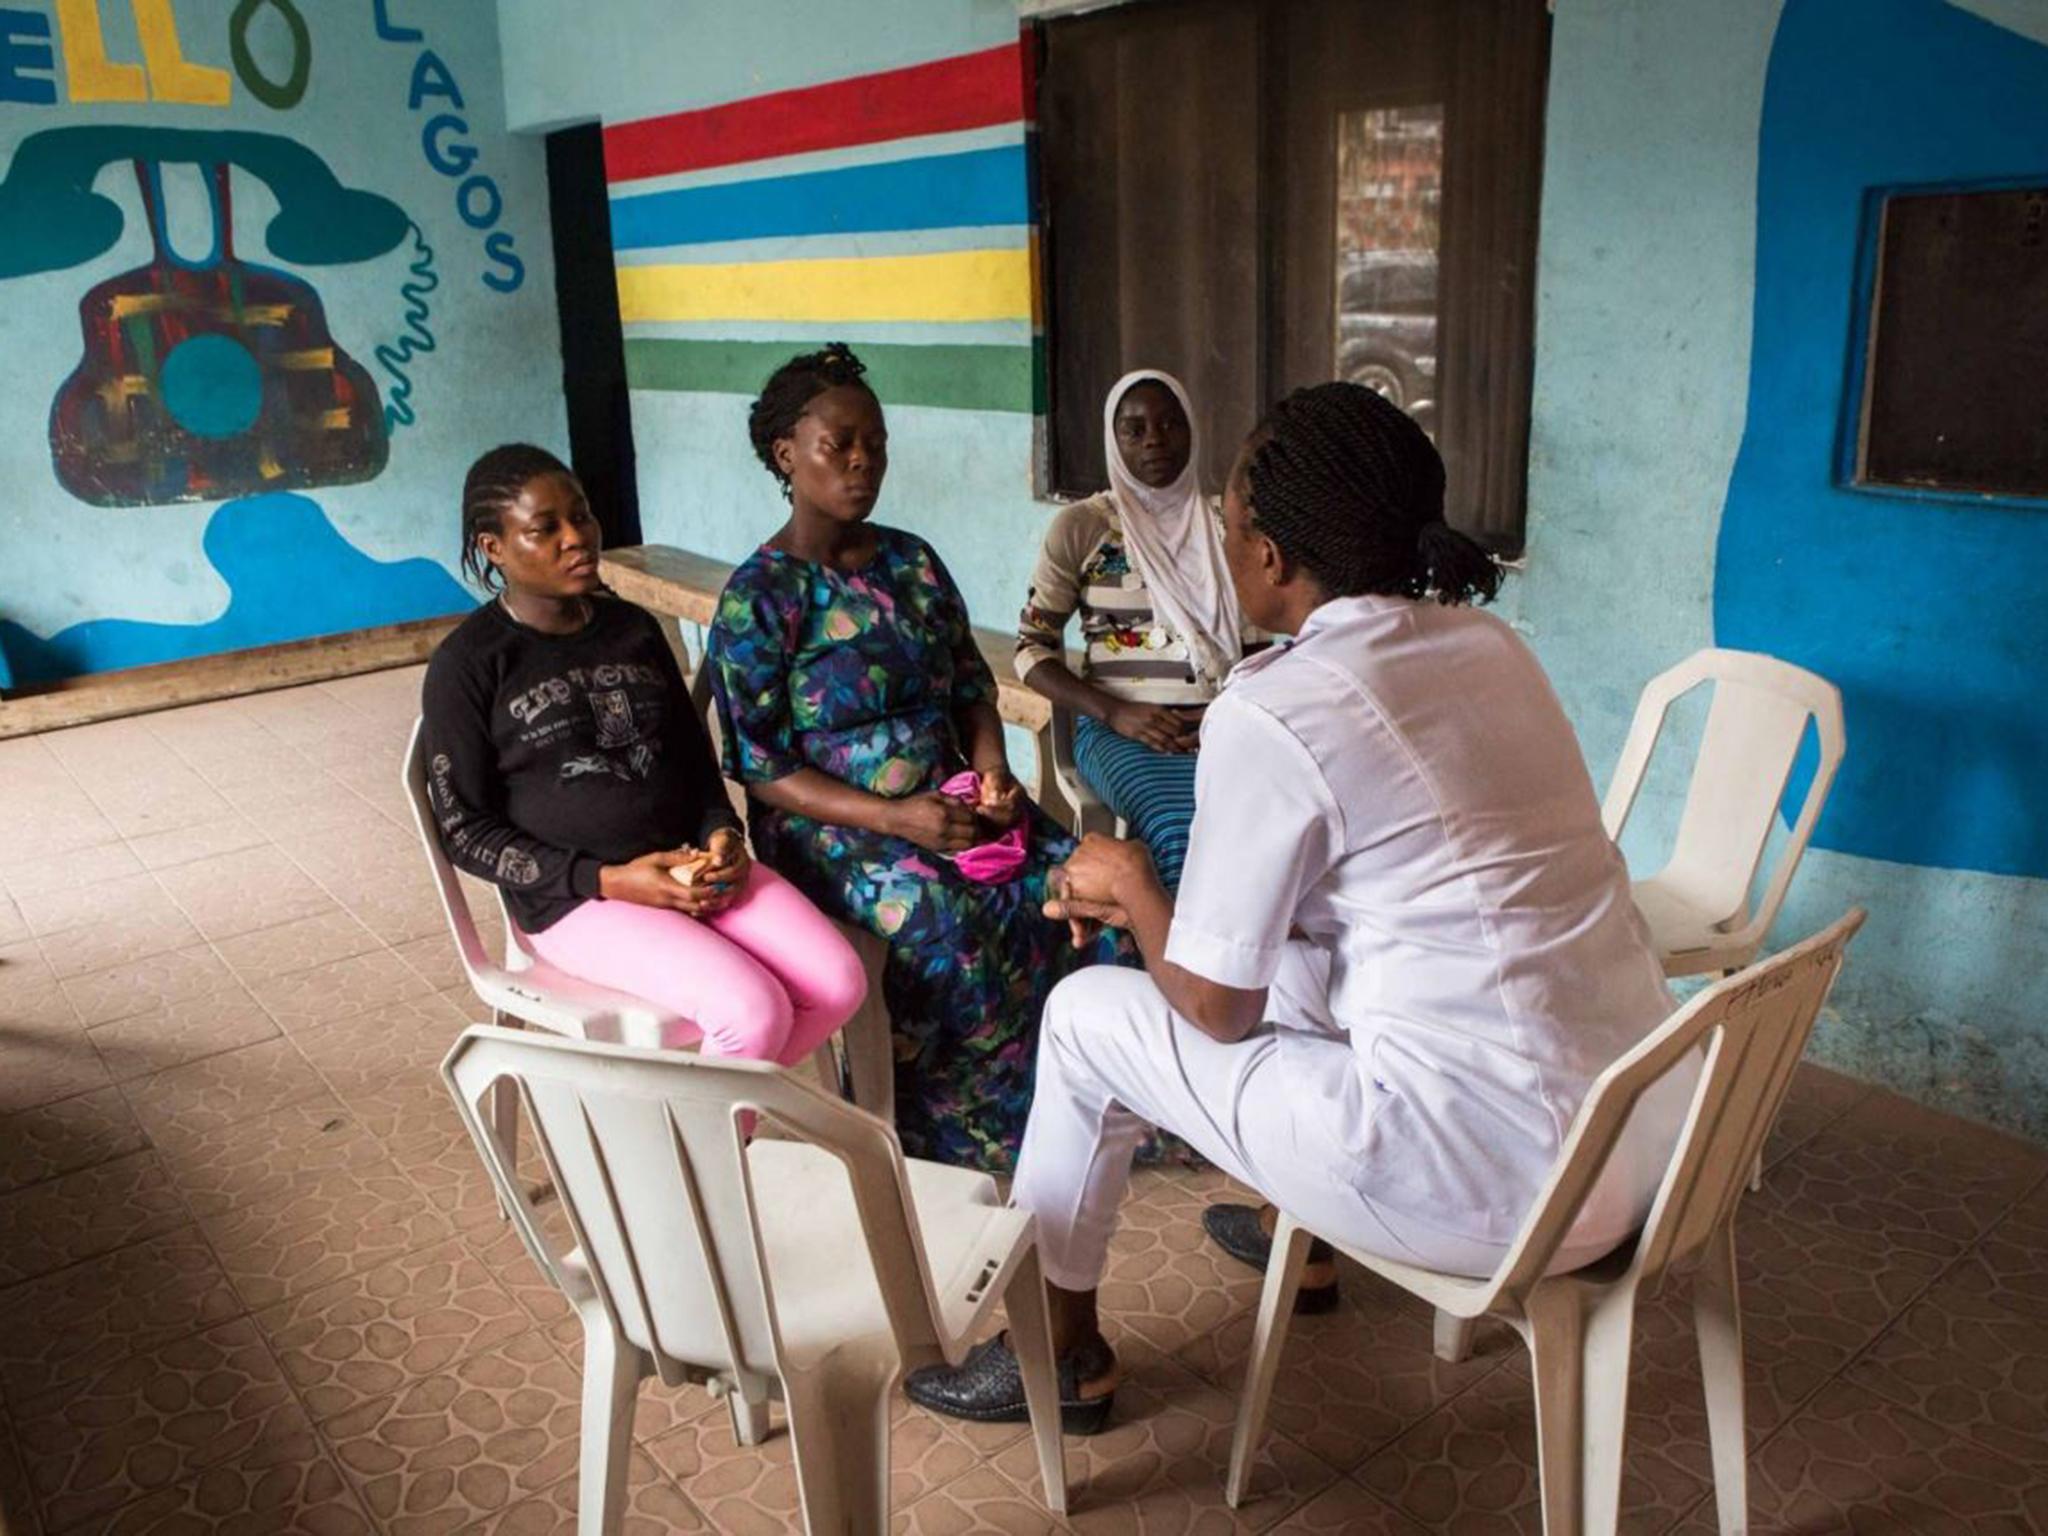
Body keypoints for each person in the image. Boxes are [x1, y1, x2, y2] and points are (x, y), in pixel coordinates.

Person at [904, 383, 1691, 1432]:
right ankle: (1307, 1246)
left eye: (1230, 523)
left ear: (1269, 558)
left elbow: (1216, 1008)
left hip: (1492, 1184)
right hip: (1648, 1143)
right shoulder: (1490, 650)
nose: (1225, 543)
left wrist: (1132, 886)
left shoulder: (1278, 706)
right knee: (1309, 958)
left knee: (1086, 1017)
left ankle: (1060, 1357)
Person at [707, 346, 1124, 1171]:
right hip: (836, 826)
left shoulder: (912, 562)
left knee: (1087, 882)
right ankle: (958, 1141)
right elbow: (761, 766)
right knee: (951, 924)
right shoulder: (761, 598)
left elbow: (971, 686)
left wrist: (994, 771)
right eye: (840, 444)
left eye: (877, 442)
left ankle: (1090, 1096)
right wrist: (896, 817)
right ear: (787, 454)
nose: (864, 462)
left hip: (958, 800)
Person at [420, 444, 868, 1071]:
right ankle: (698, 1160)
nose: (576, 539)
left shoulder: (632, 629)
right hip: (579, 901)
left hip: (693, 869)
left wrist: (721, 833)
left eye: (581, 517)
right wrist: (607, 880)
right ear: (494, 547)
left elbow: (693, 761)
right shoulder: (469, 665)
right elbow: (465, 832)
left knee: (838, 983)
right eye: (544, 529)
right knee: (752, 1012)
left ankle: (687, 1137)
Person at [1016, 371, 1258, 891]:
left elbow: (1259, 648)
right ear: (1114, 438)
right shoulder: (1084, 528)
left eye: (1171, 424)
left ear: (1193, 432)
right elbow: (1030, 651)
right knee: (1181, 827)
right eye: (1135, 429)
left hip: (1228, 721)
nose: (1155, 439)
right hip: (1119, 730)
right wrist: (1115, 712)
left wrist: (1226, 712)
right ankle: (1175, 963)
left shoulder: (1226, 527)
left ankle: (1269, 961)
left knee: (1278, 815)